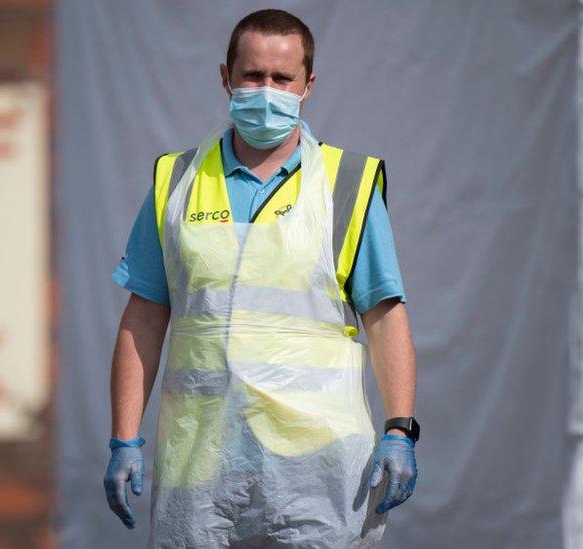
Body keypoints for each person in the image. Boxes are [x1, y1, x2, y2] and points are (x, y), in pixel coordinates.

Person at [103, 8, 419, 547]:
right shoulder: (176, 181)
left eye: (282, 78)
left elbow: (384, 316)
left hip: (317, 465)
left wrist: (399, 428)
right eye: (253, 76)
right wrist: (124, 438)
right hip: (200, 463)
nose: (266, 90)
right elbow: (145, 316)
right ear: (225, 77)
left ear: (308, 85)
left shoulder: (346, 183)